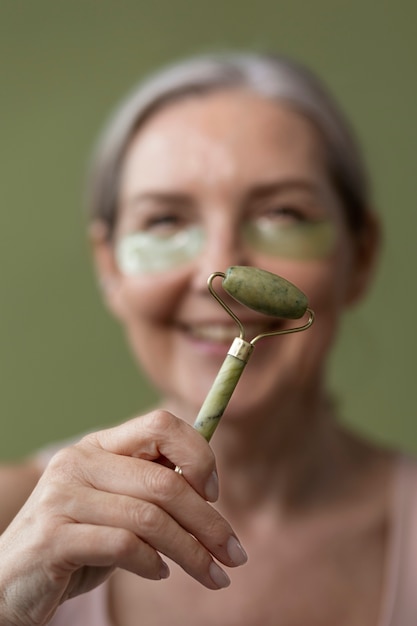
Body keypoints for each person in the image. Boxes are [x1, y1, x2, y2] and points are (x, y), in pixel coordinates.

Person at [0, 51, 415, 626]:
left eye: (283, 214)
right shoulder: (10, 520)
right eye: (165, 221)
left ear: (361, 255)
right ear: (110, 265)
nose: (218, 266)